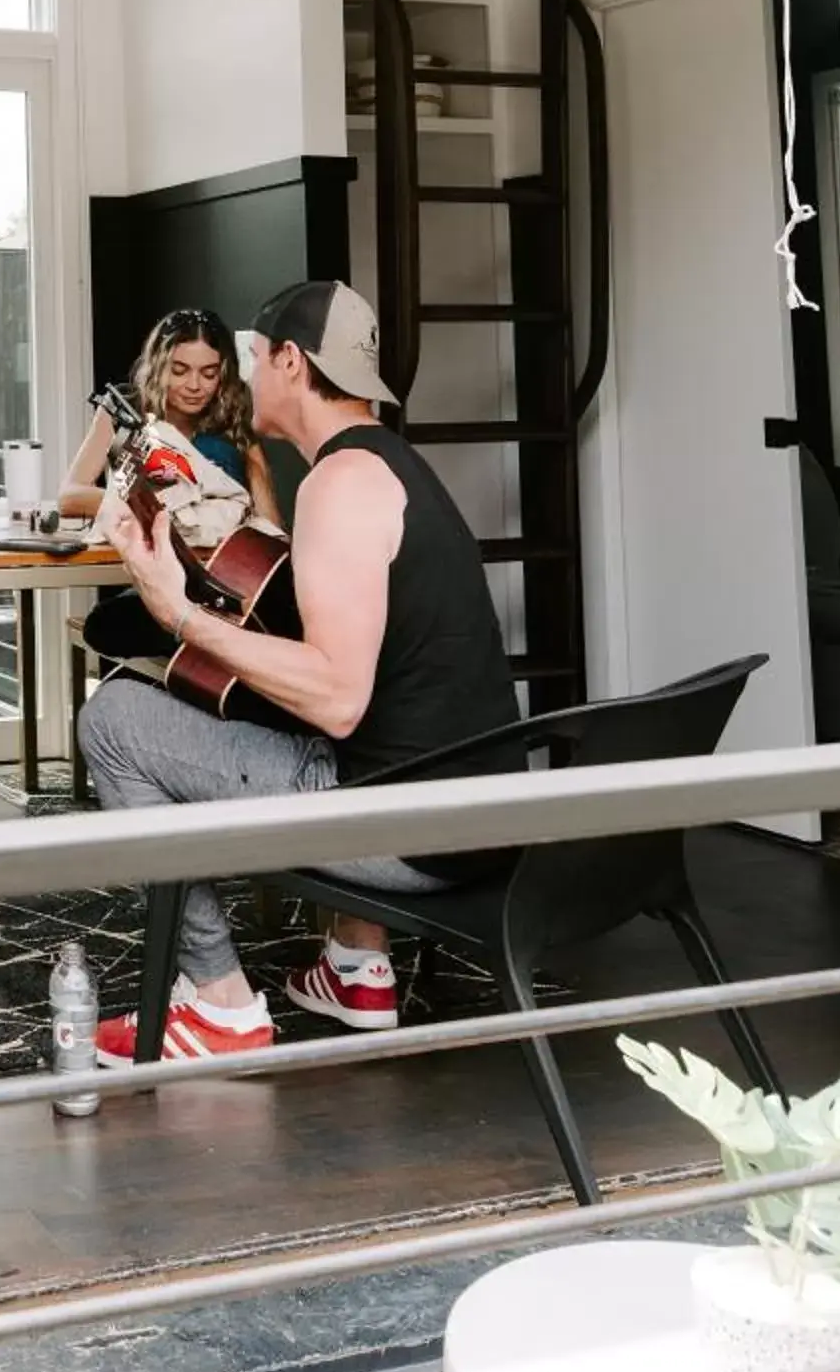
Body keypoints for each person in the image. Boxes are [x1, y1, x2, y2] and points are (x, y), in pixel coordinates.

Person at [80, 278, 522, 1066]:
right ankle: (356, 966)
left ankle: (217, 1005)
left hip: (410, 831)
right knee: (259, 701)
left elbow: (337, 697)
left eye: (249, 359)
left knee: (112, 721)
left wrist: (178, 612)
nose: (241, 380)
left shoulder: (340, 485)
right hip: (470, 811)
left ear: (290, 360)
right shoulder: (390, 466)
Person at [63, 308, 280, 666]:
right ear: (158, 365)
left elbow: (270, 525)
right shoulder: (126, 408)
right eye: (179, 371)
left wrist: (251, 467)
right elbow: (70, 497)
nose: (194, 386)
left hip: (222, 577)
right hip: (159, 569)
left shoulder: (233, 418)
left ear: (223, 373)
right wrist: (158, 506)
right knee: (114, 622)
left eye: (208, 374)